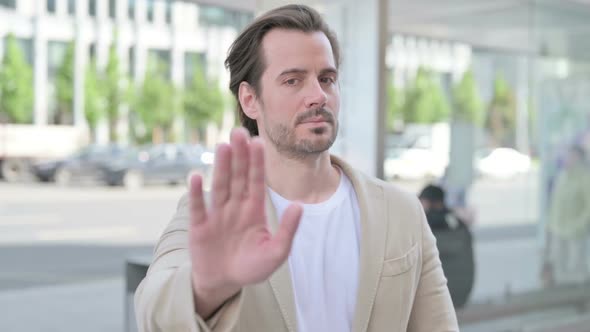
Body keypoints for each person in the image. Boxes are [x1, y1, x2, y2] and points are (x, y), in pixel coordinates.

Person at [134, 4, 458, 331]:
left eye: (327, 79)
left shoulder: (400, 212)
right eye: (293, 81)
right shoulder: (212, 213)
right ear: (250, 100)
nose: (318, 95)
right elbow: (152, 311)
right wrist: (209, 287)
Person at [418, 184, 475, 308]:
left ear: (431, 203)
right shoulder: (459, 224)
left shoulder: (427, 227)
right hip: (461, 293)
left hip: (438, 296)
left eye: (422, 202)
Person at [543, 145, 590, 285]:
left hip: (575, 232)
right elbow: (554, 203)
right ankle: (563, 296)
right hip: (557, 230)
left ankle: (579, 298)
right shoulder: (562, 176)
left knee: (576, 269)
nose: (568, 159)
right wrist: (549, 226)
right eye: (567, 155)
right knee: (559, 267)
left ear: (579, 158)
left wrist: (580, 224)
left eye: (571, 156)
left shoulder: (585, 178)